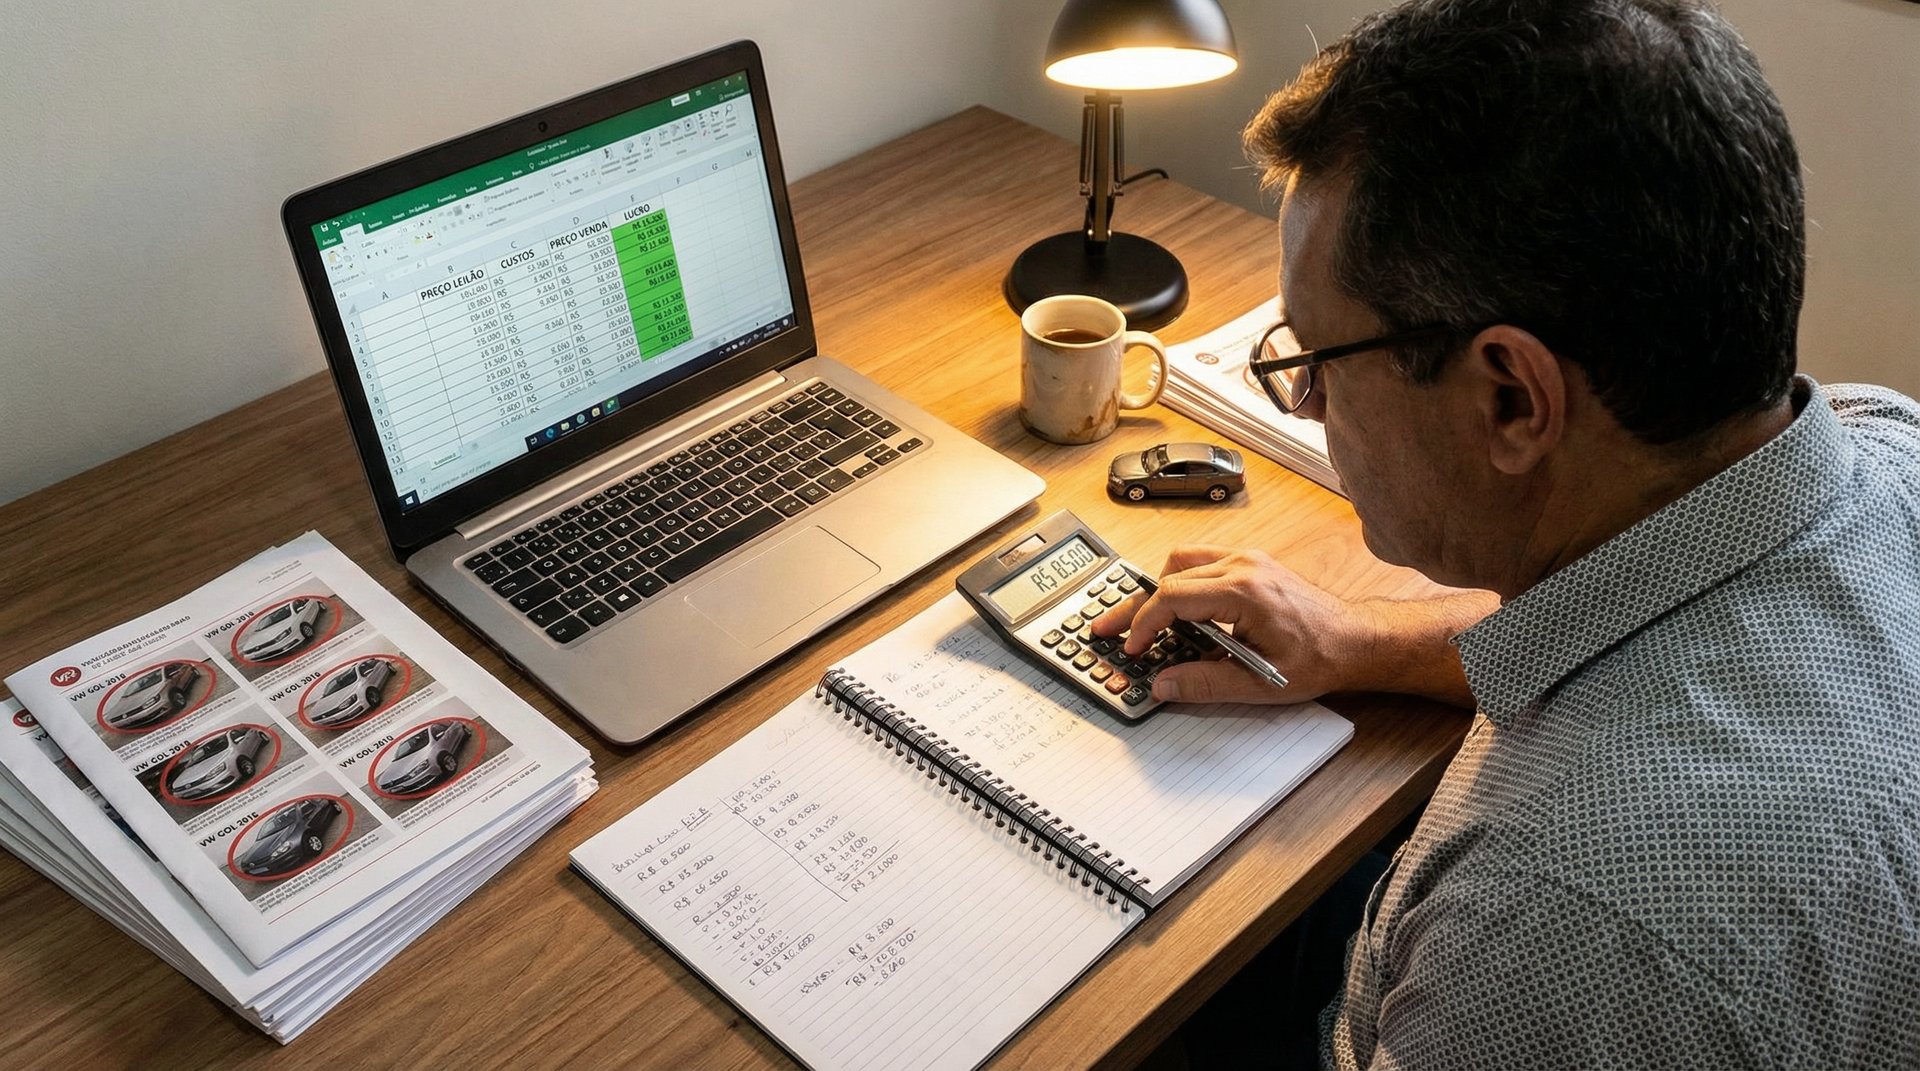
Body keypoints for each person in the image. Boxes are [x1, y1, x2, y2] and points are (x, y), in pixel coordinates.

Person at [1092, 0, 1920, 1066]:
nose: (1302, 404)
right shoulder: (1880, 442)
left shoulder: (1549, 930)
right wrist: (1362, 641)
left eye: (1314, 358)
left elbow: (1548, 939)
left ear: (1514, 401)